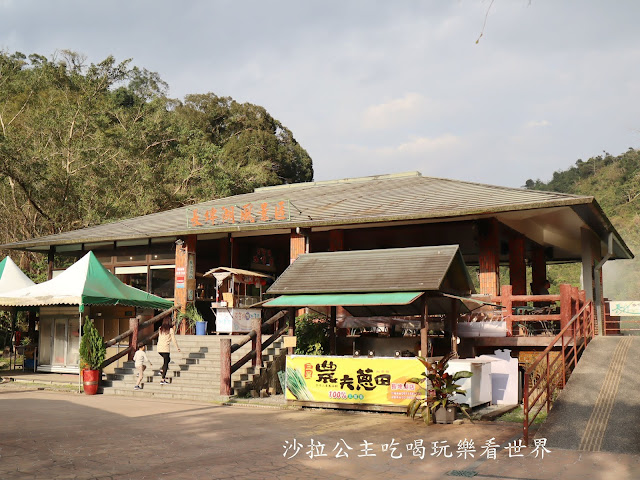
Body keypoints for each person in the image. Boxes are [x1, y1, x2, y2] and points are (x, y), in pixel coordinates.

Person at [157, 317, 180, 385]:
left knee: (168, 359)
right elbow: (174, 339)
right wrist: (177, 347)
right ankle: (162, 379)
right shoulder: (170, 330)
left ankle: (162, 370)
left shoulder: (160, 328)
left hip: (159, 348)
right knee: (166, 363)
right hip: (165, 348)